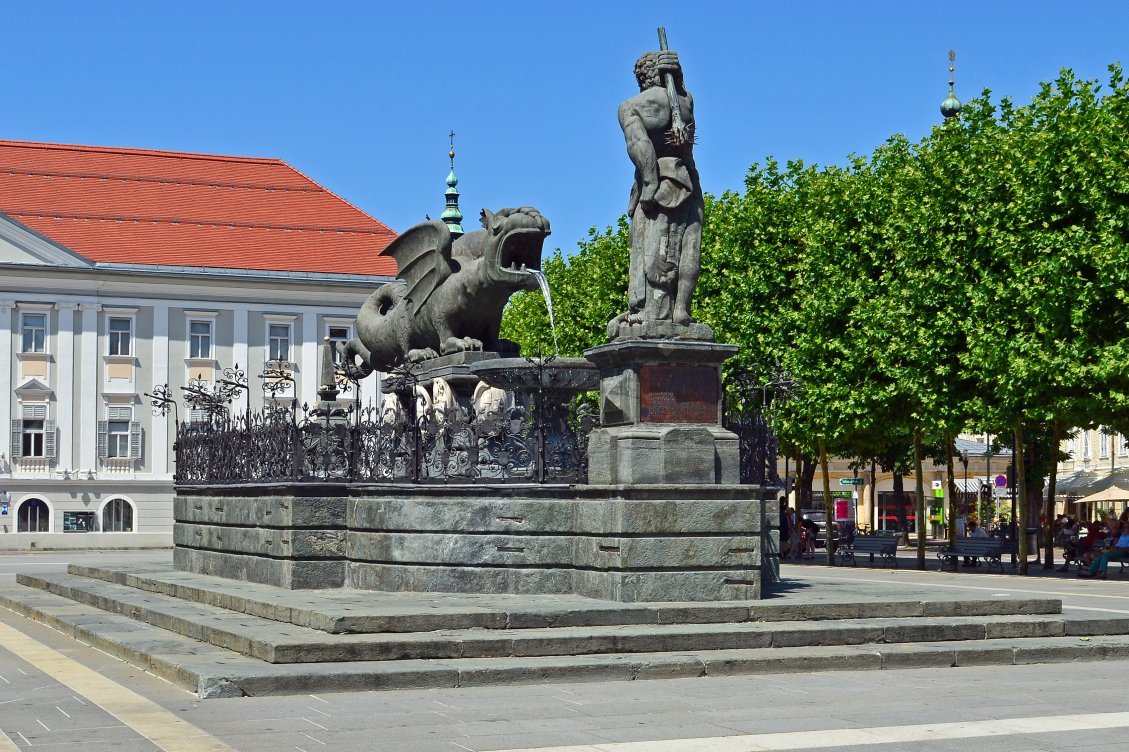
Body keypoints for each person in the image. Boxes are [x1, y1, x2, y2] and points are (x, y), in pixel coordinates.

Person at [612, 48, 704, 334]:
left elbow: (638, 145)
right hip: (688, 179)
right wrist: (680, 82)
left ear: (642, 76)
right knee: (689, 244)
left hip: (659, 182)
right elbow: (686, 132)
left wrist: (650, 183)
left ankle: (649, 312)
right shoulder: (686, 101)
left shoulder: (632, 105)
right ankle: (682, 310)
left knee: (650, 246)